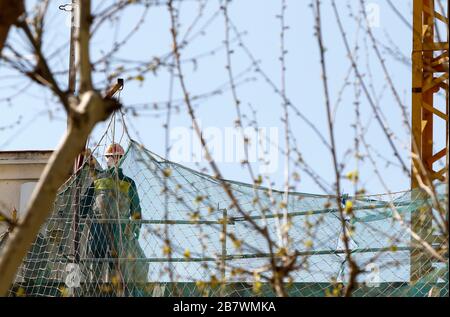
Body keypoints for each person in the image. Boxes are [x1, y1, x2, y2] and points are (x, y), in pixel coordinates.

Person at [79, 143, 147, 296]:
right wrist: (133, 233)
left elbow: (83, 210)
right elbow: (136, 214)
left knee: (95, 277)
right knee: (121, 276)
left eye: (114, 158)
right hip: (118, 238)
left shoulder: (97, 181)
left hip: (98, 237)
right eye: (114, 157)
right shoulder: (128, 183)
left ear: (107, 160)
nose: (114, 160)